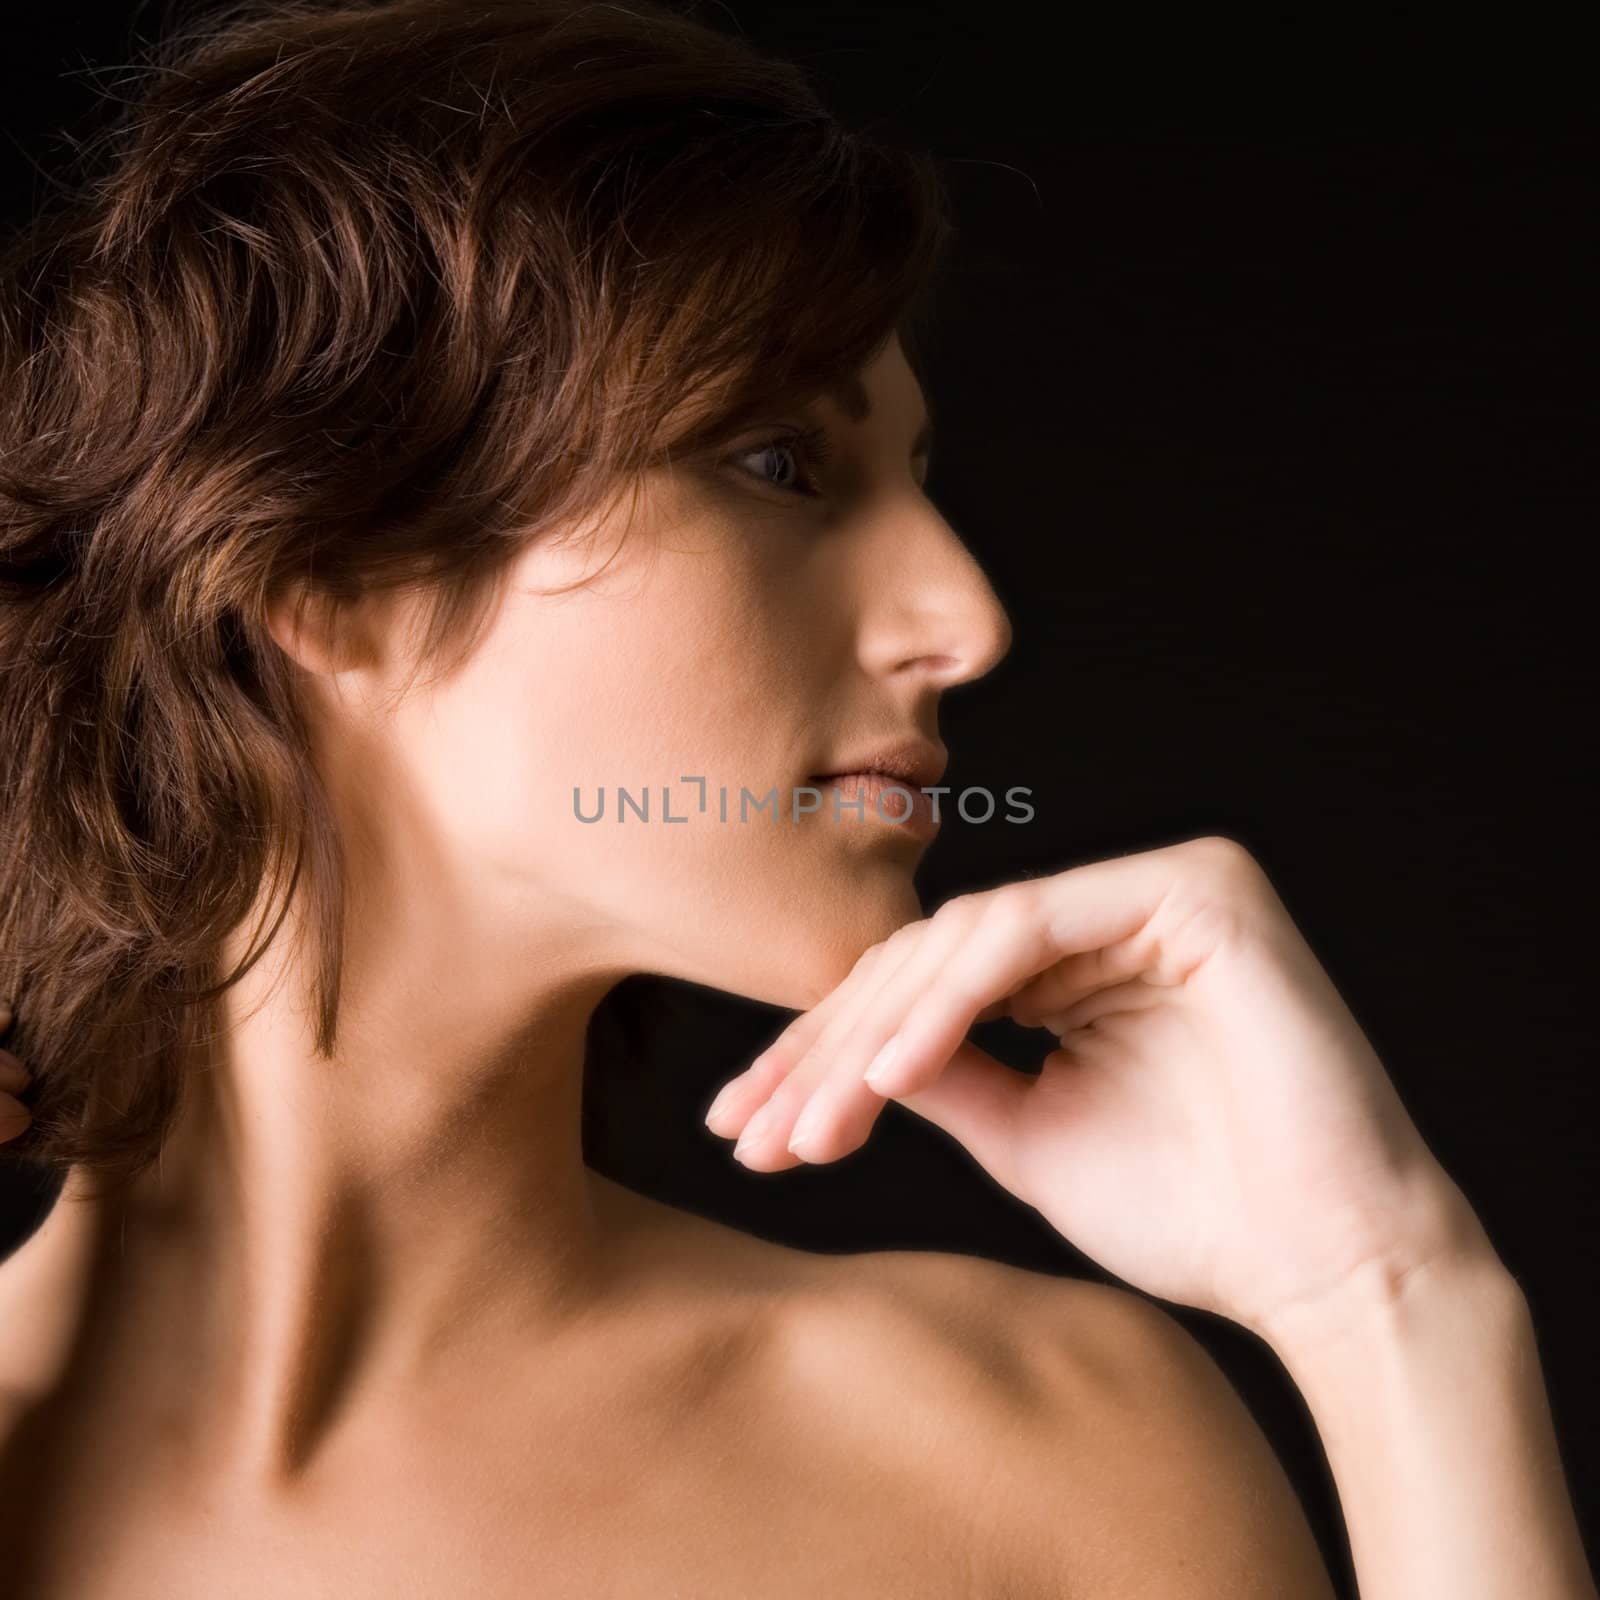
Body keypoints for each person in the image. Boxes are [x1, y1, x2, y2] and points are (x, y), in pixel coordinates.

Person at [0, 2, 1593, 1595]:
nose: (967, 619)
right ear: (329, 575)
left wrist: (1391, 1303)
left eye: (920, 479)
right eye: (775, 463)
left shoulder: (1033, 1458)